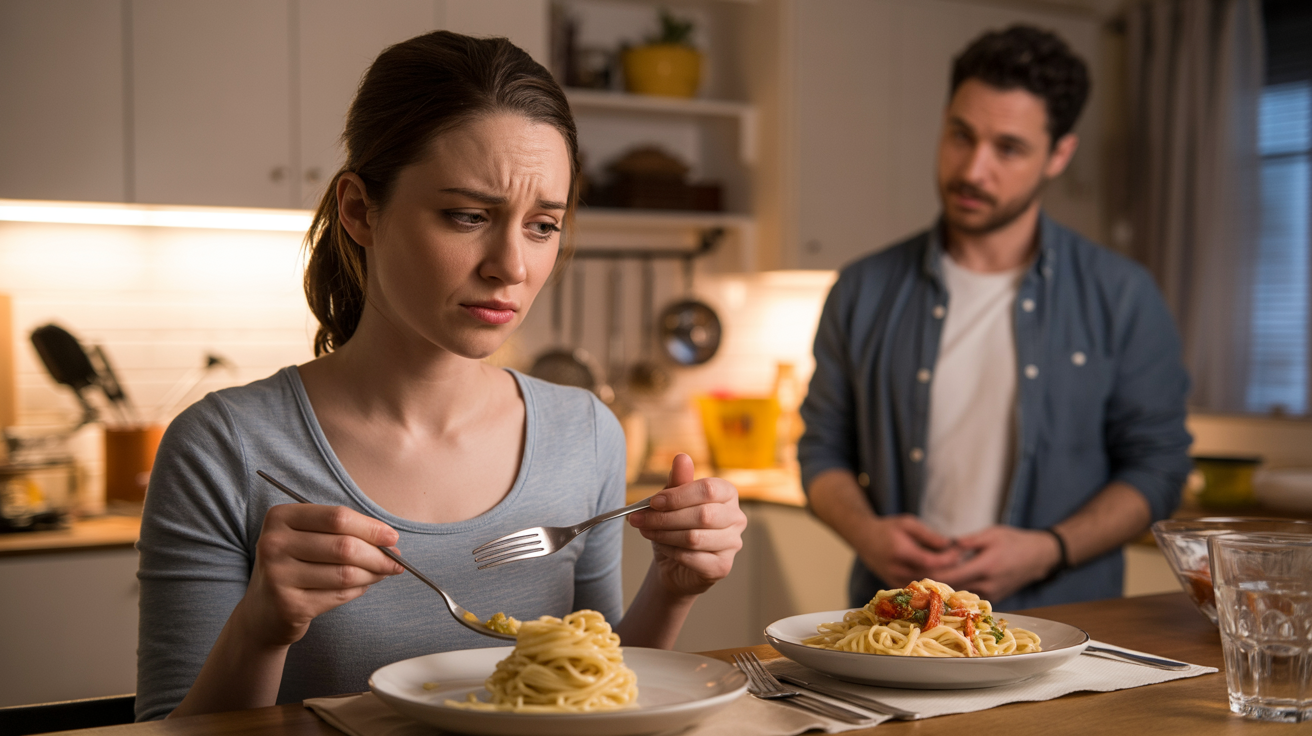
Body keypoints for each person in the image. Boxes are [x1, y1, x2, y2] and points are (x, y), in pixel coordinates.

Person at [135, 31, 747, 721]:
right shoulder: (225, 447)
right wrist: (261, 628)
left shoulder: (585, 433)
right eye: (468, 216)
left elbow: (595, 698)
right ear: (360, 211)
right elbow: (167, 731)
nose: (511, 266)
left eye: (543, 224)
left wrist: (673, 590)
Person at [798, 25, 1191, 612]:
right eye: (961, 135)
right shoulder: (862, 289)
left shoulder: (1122, 294)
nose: (973, 170)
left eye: (1008, 148)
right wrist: (867, 533)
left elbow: (1158, 468)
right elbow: (822, 452)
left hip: (1065, 631)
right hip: (896, 631)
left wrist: (1049, 548)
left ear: (1059, 154)